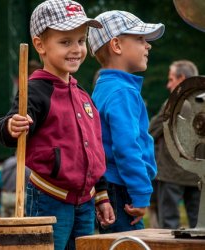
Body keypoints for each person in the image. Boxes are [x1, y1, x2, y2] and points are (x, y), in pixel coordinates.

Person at [0, 1, 115, 249]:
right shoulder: (35, 90)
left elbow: (94, 151)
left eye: (81, 41)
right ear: (40, 45)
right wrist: (11, 126)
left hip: (85, 201)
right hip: (49, 198)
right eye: (65, 42)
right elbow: (4, 130)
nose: (76, 49)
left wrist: (101, 195)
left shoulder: (83, 95)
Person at [88, 10, 165, 233]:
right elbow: (127, 147)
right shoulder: (122, 92)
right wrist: (141, 192)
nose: (147, 45)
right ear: (117, 45)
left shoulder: (104, 87)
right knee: (128, 243)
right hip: (121, 190)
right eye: (140, 39)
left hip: (110, 187)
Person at [149, 60, 201, 229]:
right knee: (199, 227)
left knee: (169, 226)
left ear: (181, 78)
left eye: (171, 79)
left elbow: (152, 131)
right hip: (198, 175)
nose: (168, 85)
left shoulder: (174, 103)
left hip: (171, 175)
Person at [1, 152, 31, 217]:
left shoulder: (7, 161)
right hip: (22, 196)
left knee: (5, 221)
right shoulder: (27, 164)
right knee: (23, 220)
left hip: (6, 195)